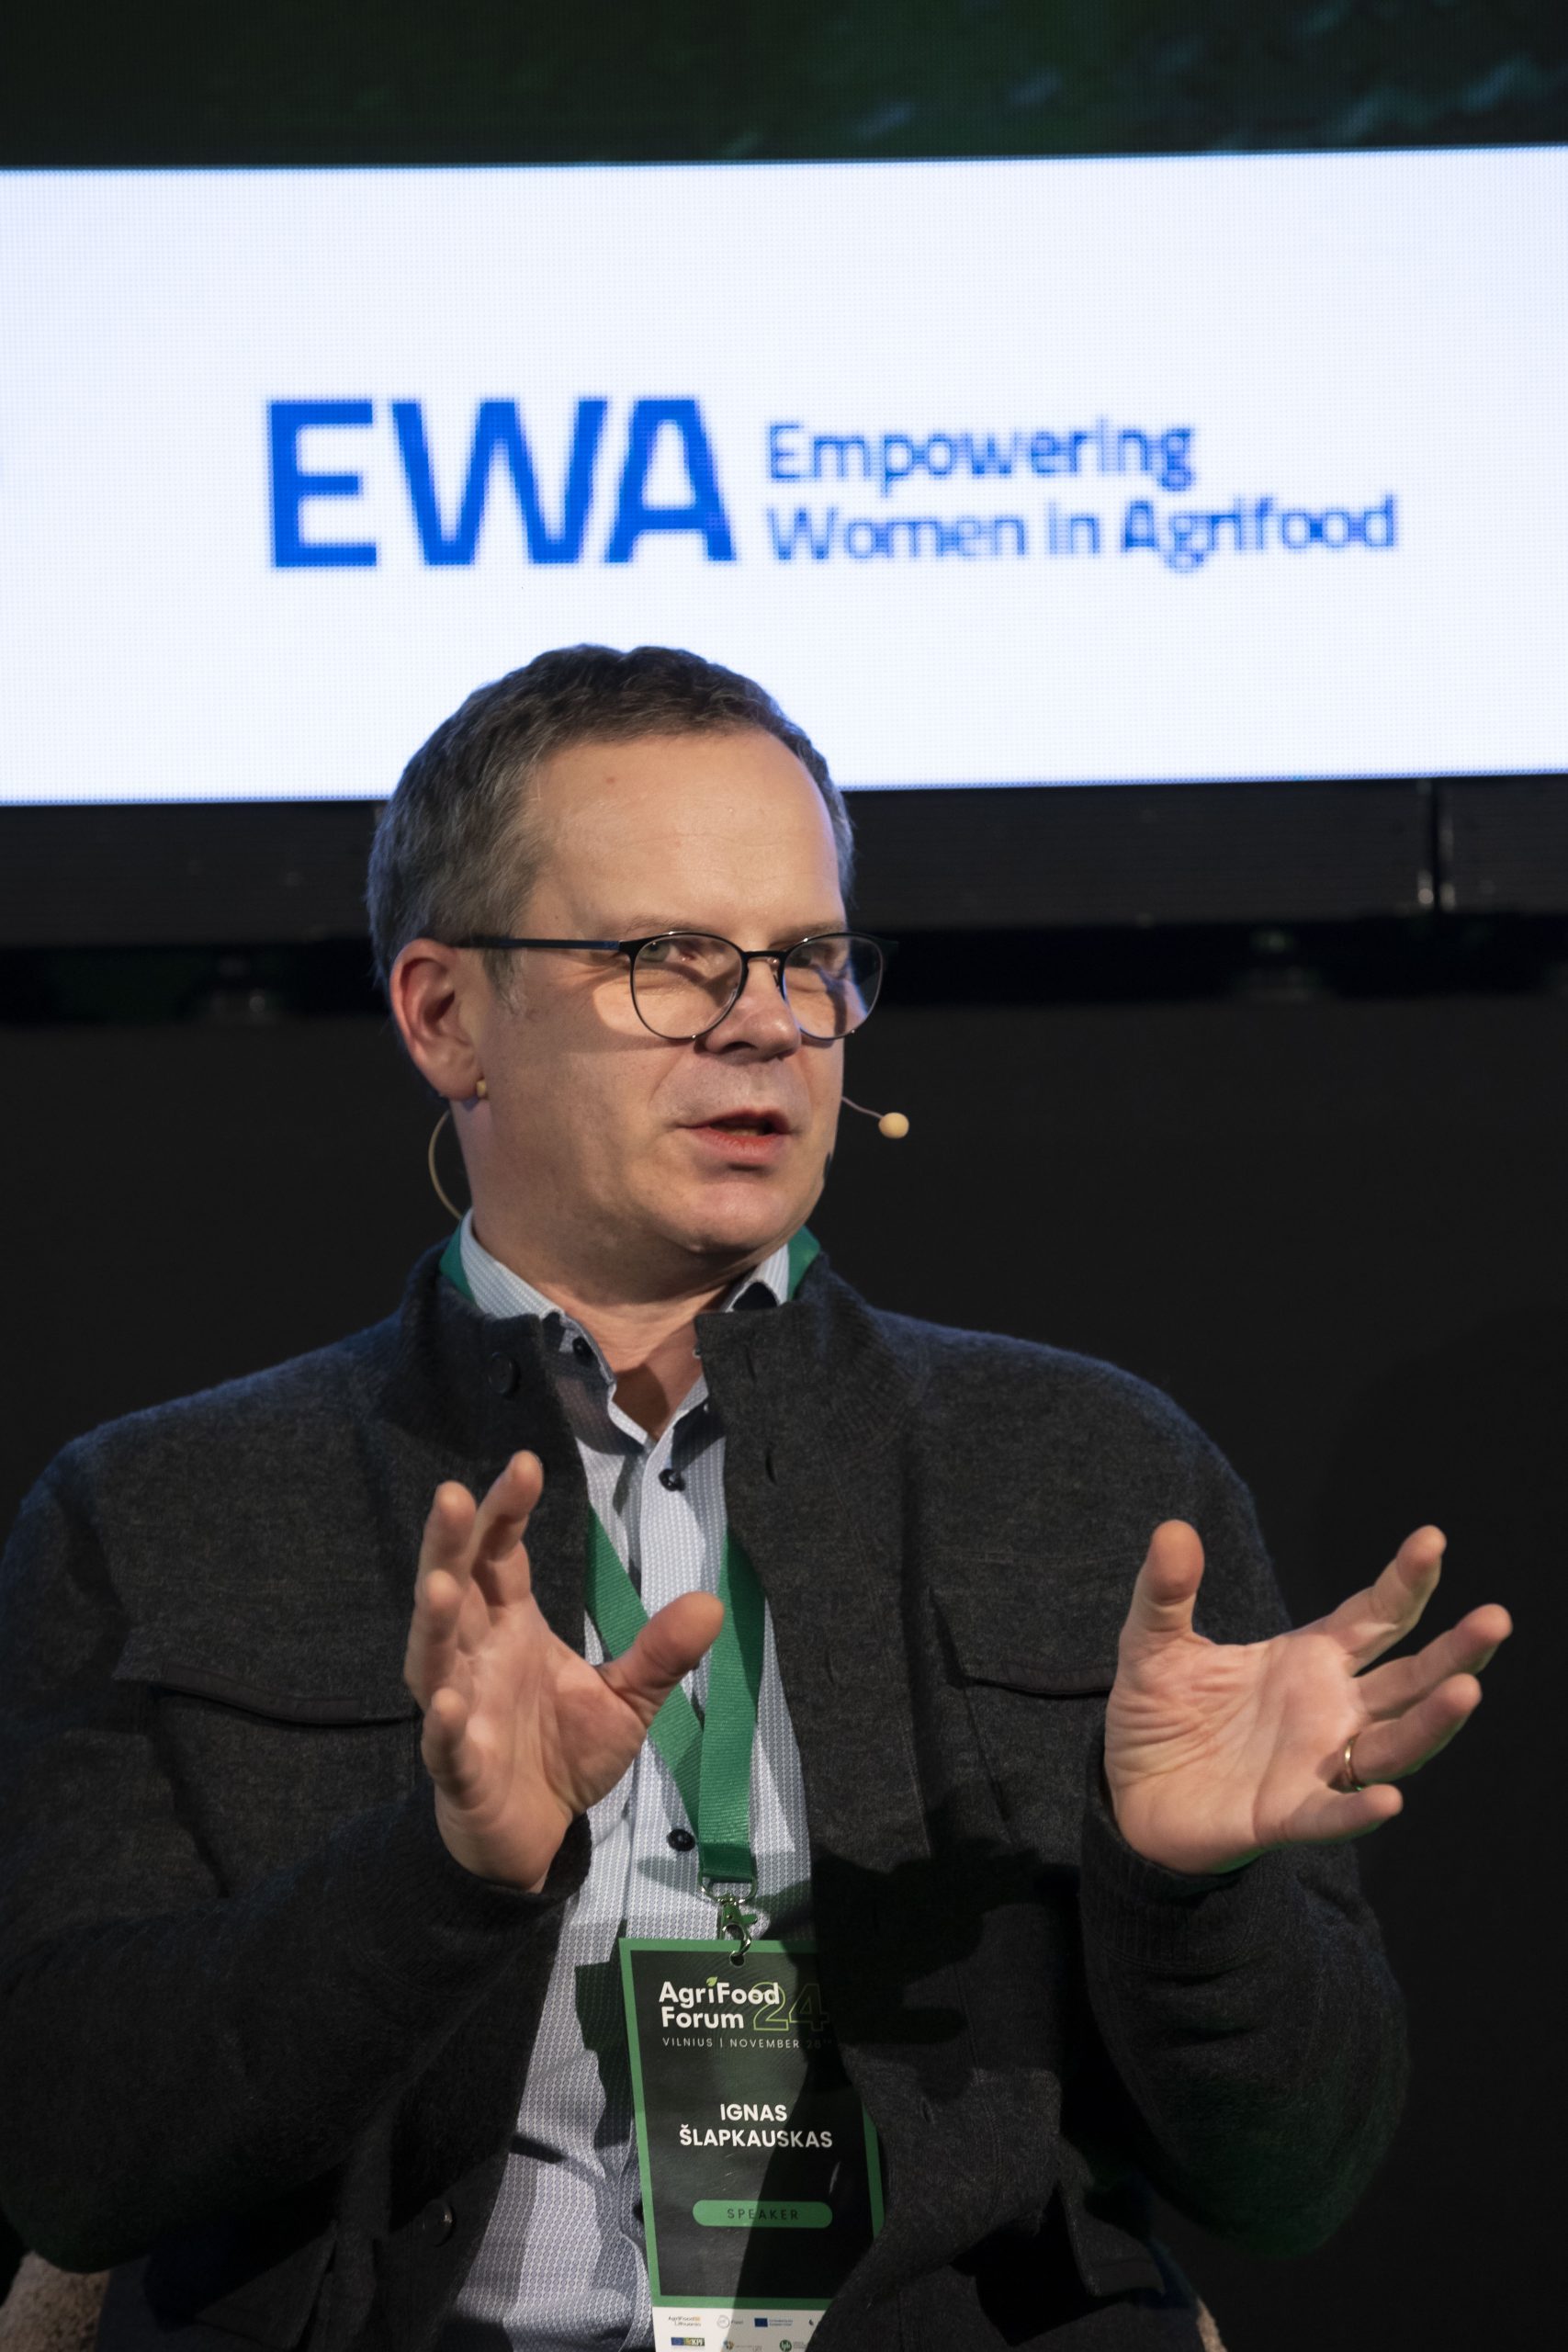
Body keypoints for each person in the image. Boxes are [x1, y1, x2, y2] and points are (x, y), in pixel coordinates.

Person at [0, 646, 1510, 2352]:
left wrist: (1184, 1894)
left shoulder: (1096, 1474)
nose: (769, 1022)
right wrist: (441, 1873)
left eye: (809, 960)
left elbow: (1294, 2184)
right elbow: (69, 2159)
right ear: (444, 1016)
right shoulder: (161, 1512)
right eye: (667, 958)